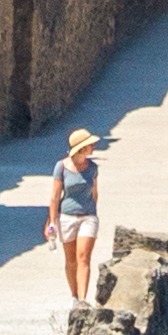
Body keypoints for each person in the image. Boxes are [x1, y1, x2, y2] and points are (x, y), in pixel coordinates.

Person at [52, 129, 104, 303]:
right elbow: (55, 197)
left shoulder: (93, 168)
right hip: (66, 217)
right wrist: (52, 222)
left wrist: (91, 212)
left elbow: (95, 193)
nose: (94, 147)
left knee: (83, 257)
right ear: (81, 148)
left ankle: (82, 299)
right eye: (91, 145)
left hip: (88, 217)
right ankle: (74, 296)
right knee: (71, 260)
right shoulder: (61, 167)